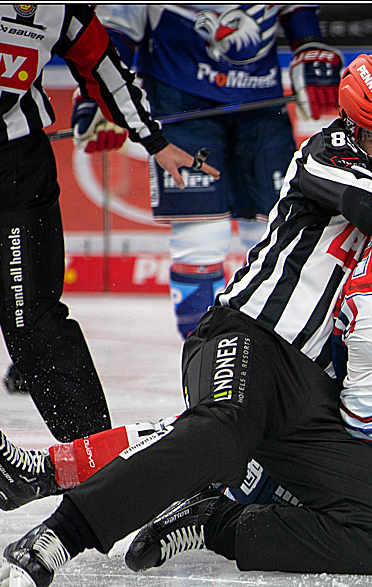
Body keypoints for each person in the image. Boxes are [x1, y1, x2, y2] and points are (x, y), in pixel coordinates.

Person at [0, 53, 372, 587]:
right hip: (248, 336)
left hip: (314, 390)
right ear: (350, 127)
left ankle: (217, 520)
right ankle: (59, 535)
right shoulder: (326, 158)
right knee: (224, 429)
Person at [0, 218, 372, 568]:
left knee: (243, 456)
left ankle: (191, 512)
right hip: (308, 375)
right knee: (227, 439)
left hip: (342, 396)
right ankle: (50, 472)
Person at [0, 4, 219, 443]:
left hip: (13, 170)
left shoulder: (61, 9)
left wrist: (154, 140)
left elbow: (105, 69)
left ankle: (98, 469)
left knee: (35, 322)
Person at [89, 5, 343, 338]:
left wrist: (309, 43)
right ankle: (205, 350)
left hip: (260, 102)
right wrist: (101, 95)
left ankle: (271, 347)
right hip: (180, 97)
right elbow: (117, 26)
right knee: (200, 237)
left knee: (274, 232)